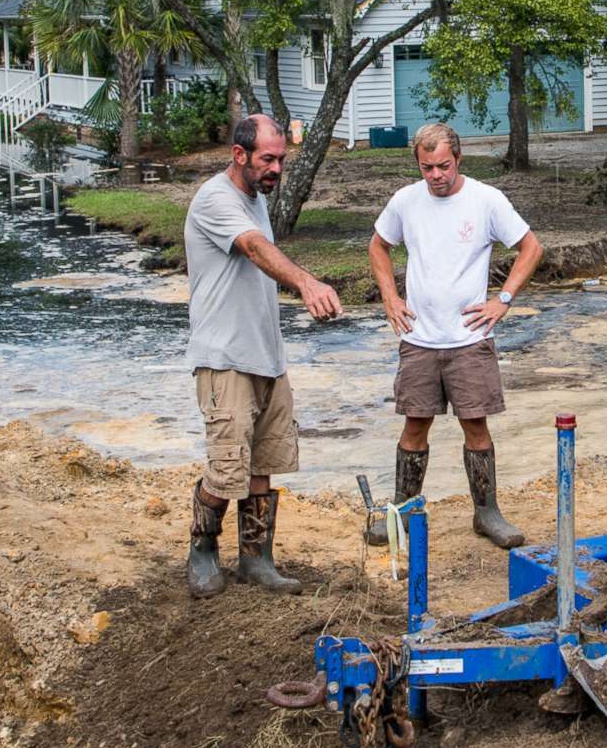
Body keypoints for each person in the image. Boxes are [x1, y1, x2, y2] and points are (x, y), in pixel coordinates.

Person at [182, 114, 344, 599]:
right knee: (226, 467)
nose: (276, 168)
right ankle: (202, 549)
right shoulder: (216, 199)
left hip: (267, 355)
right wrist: (307, 282)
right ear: (239, 155)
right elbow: (253, 249)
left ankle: (256, 560)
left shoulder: (255, 199)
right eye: (267, 160)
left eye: (281, 160)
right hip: (224, 356)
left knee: (262, 464)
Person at [366, 122, 544, 550]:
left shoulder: (486, 200)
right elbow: (377, 246)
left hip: (469, 338)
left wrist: (502, 299)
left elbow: (531, 247)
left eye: (443, 166)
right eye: (427, 168)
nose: (436, 176)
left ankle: (487, 513)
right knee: (415, 425)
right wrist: (390, 298)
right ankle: (403, 512)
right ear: (418, 165)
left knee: (476, 425)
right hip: (419, 337)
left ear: (458, 159)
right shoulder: (405, 202)